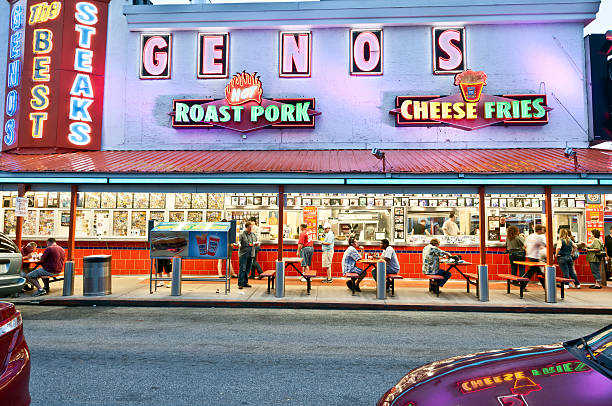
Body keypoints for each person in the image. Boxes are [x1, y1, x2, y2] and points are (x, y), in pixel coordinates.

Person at [521, 225, 547, 291]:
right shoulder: (539, 237)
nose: (543, 231)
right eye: (542, 230)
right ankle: (546, 287)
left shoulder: (530, 236)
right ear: (539, 230)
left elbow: (525, 245)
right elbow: (544, 245)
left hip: (529, 255)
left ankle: (523, 285)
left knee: (533, 272)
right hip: (535, 256)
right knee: (537, 272)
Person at [238, 221, 256, 289]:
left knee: (248, 269)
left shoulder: (253, 234)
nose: (251, 228)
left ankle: (245, 282)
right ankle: (240, 283)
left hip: (251, 254)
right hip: (243, 254)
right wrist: (239, 245)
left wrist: (257, 244)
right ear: (246, 227)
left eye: (251, 227)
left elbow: (256, 241)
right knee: (242, 269)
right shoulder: (242, 234)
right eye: (250, 227)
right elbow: (239, 242)